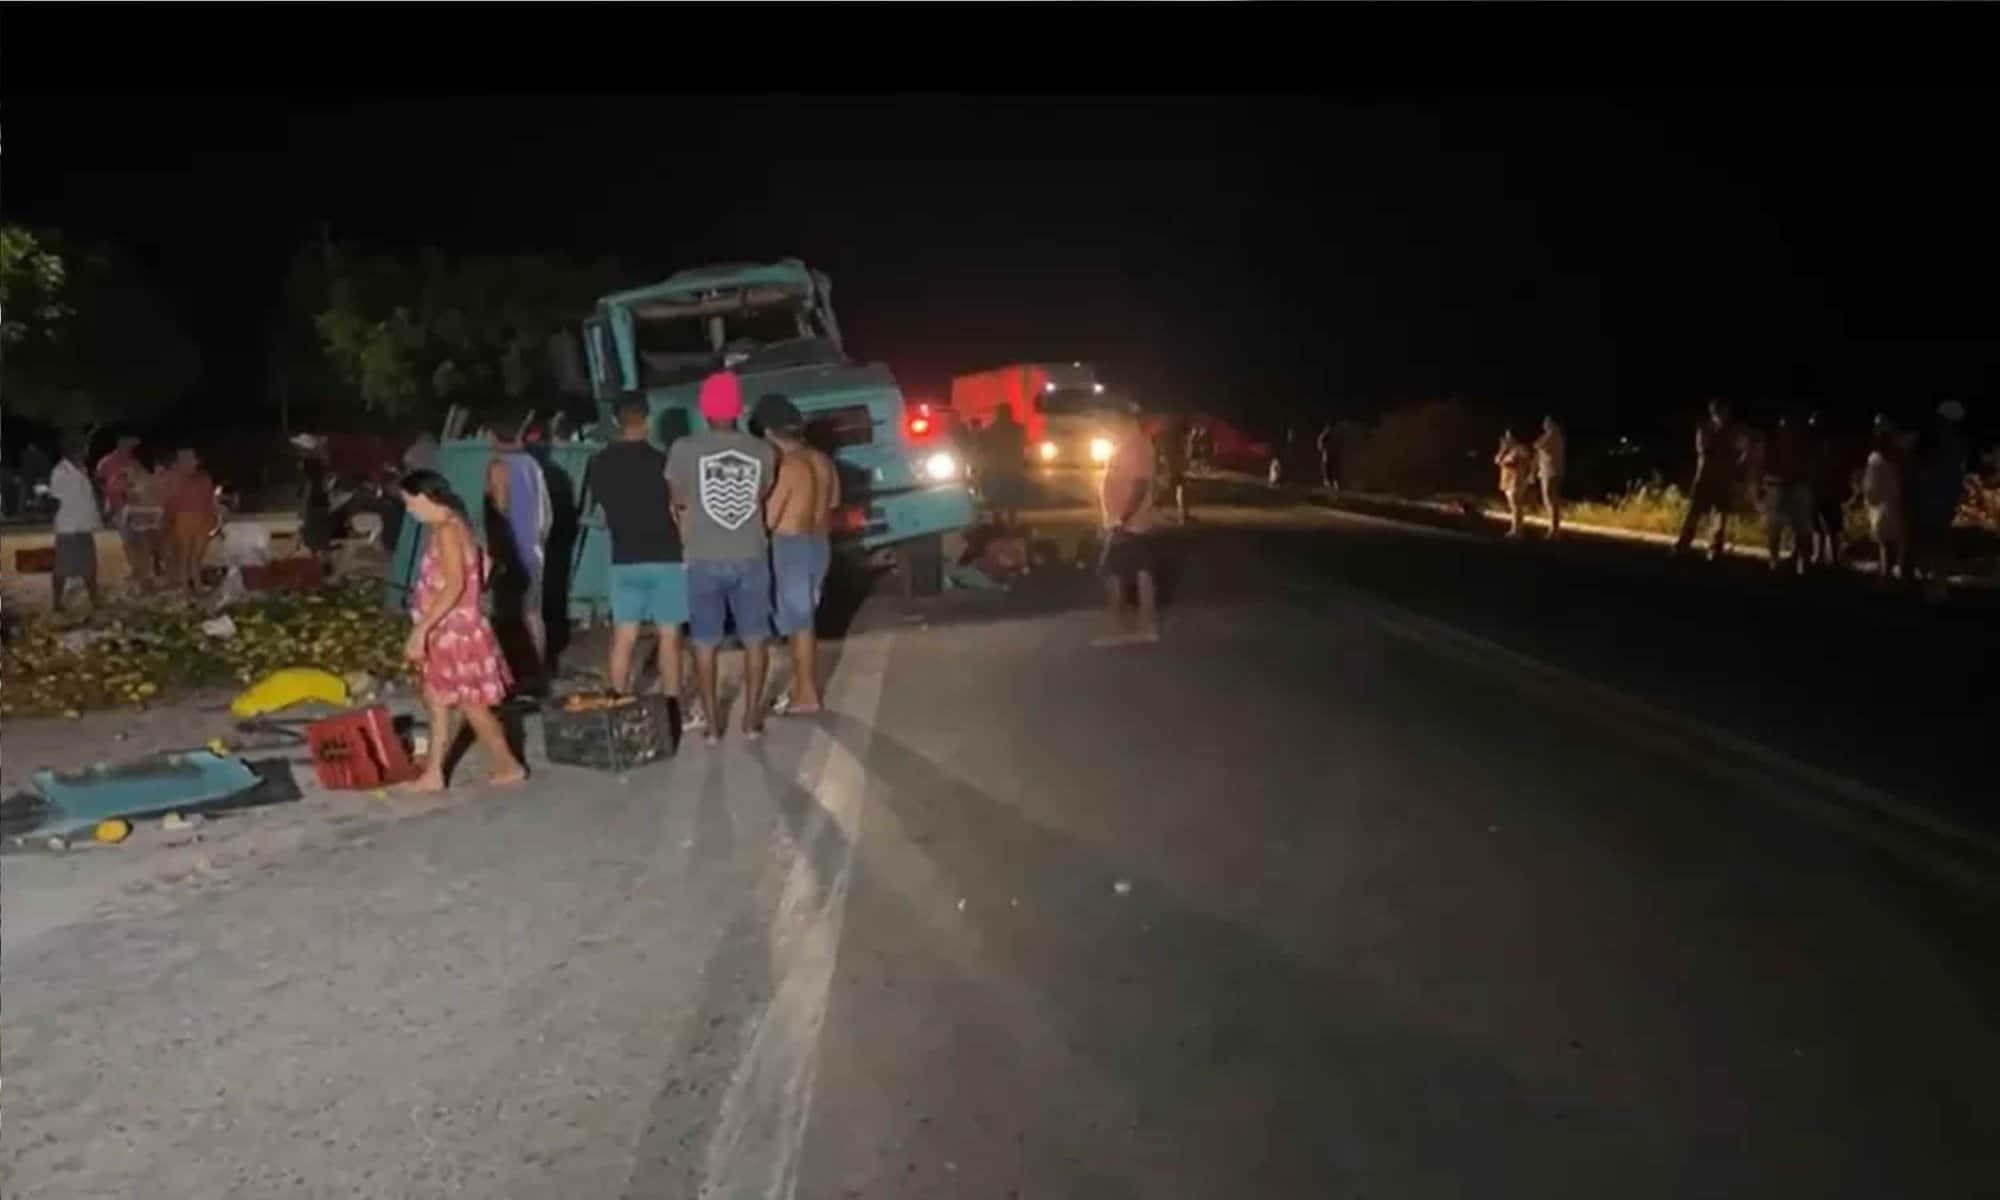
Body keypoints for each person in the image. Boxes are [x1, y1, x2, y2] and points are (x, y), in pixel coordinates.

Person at [666, 370, 778, 744]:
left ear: (704, 409)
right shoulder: (764, 451)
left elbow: (678, 498)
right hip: (751, 553)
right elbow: (760, 494)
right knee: (755, 638)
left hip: (702, 555)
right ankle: (752, 720)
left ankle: (713, 726)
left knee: (704, 641)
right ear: (738, 409)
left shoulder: (683, 449)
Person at [397, 470, 525, 792]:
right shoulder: (455, 525)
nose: (410, 510)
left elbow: (454, 584)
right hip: (451, 628)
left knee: (471, 705)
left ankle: (507, 764)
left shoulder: (447, 531)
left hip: (453, 630)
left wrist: (422, 629)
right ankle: (434, 773)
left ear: (428, 498)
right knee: (438, 700)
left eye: (412, 503)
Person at [584, 394, 689, 705]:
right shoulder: (662, 461)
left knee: (624, 635)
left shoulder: (600, 463)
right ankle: (671, 703)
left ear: (616, 421)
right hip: (665, 556)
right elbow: (678, 506)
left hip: (624, 557)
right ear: (648, 420)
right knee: (669, 635)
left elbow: (602, 509)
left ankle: (617, 698)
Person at [757, 392, 839, 715]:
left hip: (791, 546)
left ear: (768, 432)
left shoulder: (788, 467)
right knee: (804, 619)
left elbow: (770, 518)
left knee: (798, 623)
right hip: (820, 544)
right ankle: (800, 688)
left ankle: (806, 693)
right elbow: (834, 502)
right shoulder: (822, 461)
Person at [485, 420, 554, 684]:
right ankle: (538, 670)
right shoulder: (533, 466)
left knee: (508, 615)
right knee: (533, 614)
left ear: (493, 436)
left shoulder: (498, 467)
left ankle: (516, 673)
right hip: (534, 549)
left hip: (509, 552)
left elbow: (500, 510)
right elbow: (547, 515)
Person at [1094, 410, 1161, 647]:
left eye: (1110, 420)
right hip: (1124, 521)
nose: (1106, 424)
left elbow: (1140, 486)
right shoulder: (1126, 444)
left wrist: (1122, 519)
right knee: (1134, 571)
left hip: (1130, 523)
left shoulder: (1137, 445)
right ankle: (1139, 624)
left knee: (1115, 571)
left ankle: (1126, 625)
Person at [1673, 398, 1743, 560]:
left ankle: (1715, 548)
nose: (1721, 415)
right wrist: (1729, 455)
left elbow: (1739, 451)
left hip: (1723, 478)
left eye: (1723, 411)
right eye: (1718, 411)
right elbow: (1706, 451)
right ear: (1712, 412)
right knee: (1694, 512)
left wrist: (1733, 460)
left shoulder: (1732, 431)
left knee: (1720, 515)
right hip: (1706, 477)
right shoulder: (1705, 429)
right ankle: (1683, 544)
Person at [1911, 400, 1969, 595]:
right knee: (1939, 542)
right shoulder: (1954, 443)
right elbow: (1956, 474)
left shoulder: (1931, 441)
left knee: (1929, 540)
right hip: (1942, 497)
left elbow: (1920, 469)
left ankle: (1930, 583)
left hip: (1930, 496)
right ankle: (1937, 586)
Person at [48, 437, 103, 612]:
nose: (85, 455)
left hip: (83, 526)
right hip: (69, 528)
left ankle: (94, 599)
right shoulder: (60, 472)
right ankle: (57, 602)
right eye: (82, 452)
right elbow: (54, 500)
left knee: (89, 566)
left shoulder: (82, 471)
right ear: (71, 453)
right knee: (62, 568)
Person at [1760, 411, 1814, 574]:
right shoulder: (1777, 444)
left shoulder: (1801, 444)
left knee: (1796, 528)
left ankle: (1795, 561)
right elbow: (1766, 465)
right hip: (1780, 486)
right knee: (1779, 527)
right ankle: (1780, 560)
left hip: (1792, 486)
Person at [160, 448, 221, 594]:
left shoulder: (204, 478)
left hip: (202, 519)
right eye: (185, 460)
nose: (190, 463)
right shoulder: (174, 479)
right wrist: (167, 521)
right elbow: (169, 503)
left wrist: (214, 519)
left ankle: (196, 586)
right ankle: (186, 589)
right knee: (185, 557)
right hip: (184, 520)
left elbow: (210, 500)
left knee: (196, 557)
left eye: (191, 460)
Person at [1862, 415, 1906, 582]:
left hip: (1890, 503)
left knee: (1890, 543)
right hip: (1887, 503)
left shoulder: (1886, 456)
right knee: (1889, 543)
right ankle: (1890, 575)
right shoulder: (1881, 457)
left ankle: (1890, 575)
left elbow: (1870, 486)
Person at [1804, 411, 1848, 568]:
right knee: (1826, 526)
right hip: (1823, 490)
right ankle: (1826, 557)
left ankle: (1825, 556)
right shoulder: (1825, 444)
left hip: (1824, 490)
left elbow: (1838, 467)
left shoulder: (1821, 444)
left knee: (1825, 526)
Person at [291, 434, 335, 566]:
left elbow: (309, 486)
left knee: (313, 536)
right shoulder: (320, 463)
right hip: (320, 503)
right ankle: (324, 564)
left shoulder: (309, 464)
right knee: (321, 536)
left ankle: (318, 564)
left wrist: (303, 509)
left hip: (314, 503)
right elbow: (323, 484)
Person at [981, 405, 1028, 528]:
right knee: (1013, 497)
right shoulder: (1019, 429)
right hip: (1013, 468)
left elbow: (983, 446)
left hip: (996, 468)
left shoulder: (991, 429)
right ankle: (1012, 521)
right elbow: (1024, 445)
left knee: (997, 495)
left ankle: (997, 521)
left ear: (998, 414)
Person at [1494, 430, 1534, 537]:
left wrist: (1504, 458)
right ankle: (1515, 528)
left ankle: (1517, 529)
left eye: (1509, 437)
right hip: (1508, 480)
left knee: (1516, 505)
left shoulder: (1520, 449)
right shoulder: (1508, 450)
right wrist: (1503, 448)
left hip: (1517, 480)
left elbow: (1512, 462)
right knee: (1513, 505)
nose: (1507, 439)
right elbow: (1497, 460)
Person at [1534, 415, 1566, 537]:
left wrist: (1546, 434)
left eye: (1547, 422)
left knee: (1550, 498)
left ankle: (1554, 528)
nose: (1544, 425)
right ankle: (1553, 527)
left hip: (1551, 470)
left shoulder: (1552, 435)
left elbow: (1537, 445)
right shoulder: (1553, 435)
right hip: (1549, 470)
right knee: (1550, 499)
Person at [1316, 420, 1340, 496]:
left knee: (1331, 475)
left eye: (1328, 428)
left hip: (1330, 459)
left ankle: (1334, 489)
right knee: (1327, 475)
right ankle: (1330, 489)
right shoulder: (1324, 437)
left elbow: (1320, 446)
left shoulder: (1331, 437)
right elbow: (1319, 446)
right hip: (1327, 459)